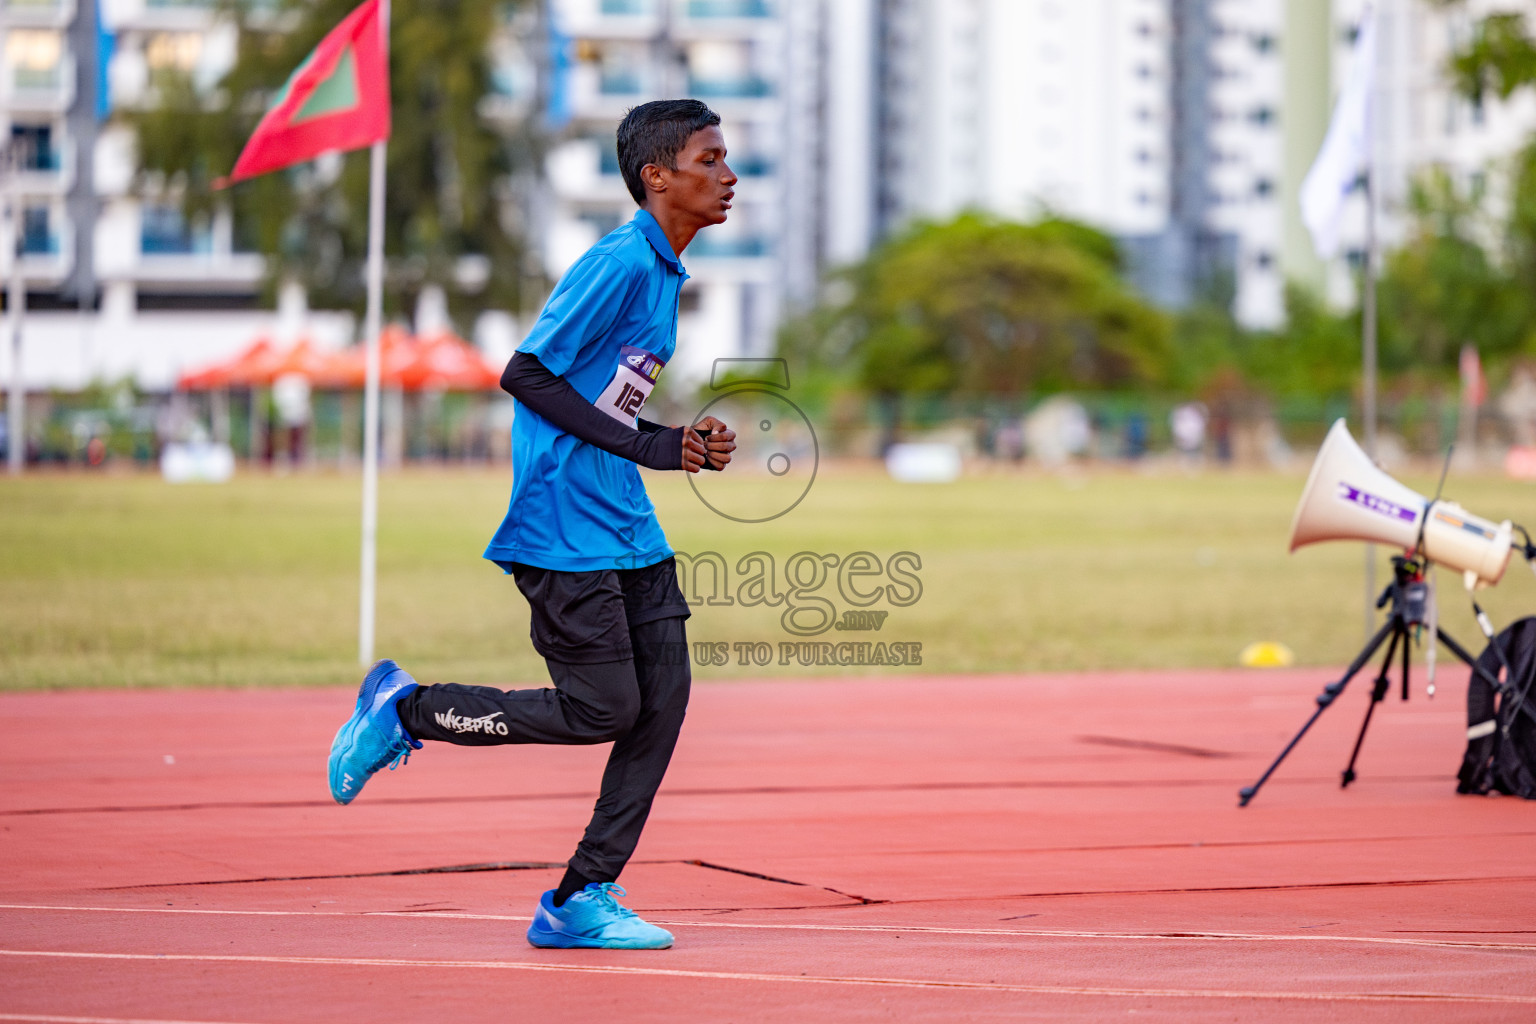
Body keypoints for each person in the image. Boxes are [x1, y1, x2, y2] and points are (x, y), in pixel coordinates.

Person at [326, 99, 738, 950]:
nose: (728, 176)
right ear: (657, 177)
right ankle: (409, 712)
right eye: (711, 159)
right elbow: (528, 373)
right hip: (561, 526)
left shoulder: (664, 273)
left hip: (624, 522)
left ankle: (582, 897)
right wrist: (658, 445)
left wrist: (679, 440)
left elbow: (605, 392)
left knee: (664, 704)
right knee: (604, 709)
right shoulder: (622, 261)